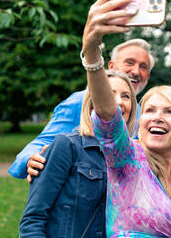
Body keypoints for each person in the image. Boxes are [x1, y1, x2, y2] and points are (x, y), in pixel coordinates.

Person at [82, 0, 171, 236]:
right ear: (141, 121)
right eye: (150, 110)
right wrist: (92, 51)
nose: (157, 117)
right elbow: (107, 115)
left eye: (169, 112)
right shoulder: (127, 160)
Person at [9, 36, 154, 180]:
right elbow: (42, 142)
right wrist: (30, 158)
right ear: (111, 66)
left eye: (143, 67)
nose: (136, 71)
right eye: (130, 63)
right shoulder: (81, 100)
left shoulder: (144, 113)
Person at [19, 70, 137, 237]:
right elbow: (32, 220)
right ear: (91, 104)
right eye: (109, 94)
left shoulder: (135, 158)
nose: (118, 101)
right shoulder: (67, 146)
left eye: (126, 96)